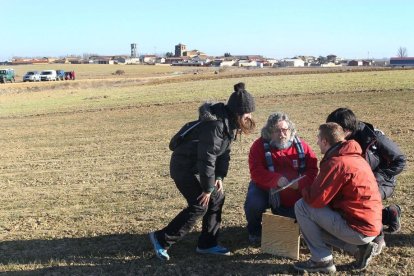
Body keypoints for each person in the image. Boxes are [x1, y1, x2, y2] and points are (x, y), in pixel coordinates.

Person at [149, 82, 256, 261]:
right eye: (247, 113)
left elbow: (223, 153)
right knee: (200, 204)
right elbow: (207, 158)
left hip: (197, 166)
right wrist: (207, 188)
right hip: (184, 167)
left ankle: (208, 244)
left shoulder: (228, 124)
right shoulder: (216, 125)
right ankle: (162, 238)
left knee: (217, 197)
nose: (250, 116)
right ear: (238, 113)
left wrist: (220, 176)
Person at [293, 123, 383, 273]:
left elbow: (315, 200)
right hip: (370, 226)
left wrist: (301, 187)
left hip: (359, 229)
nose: (316, 142)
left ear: (325, 141)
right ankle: (359, 249)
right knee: (313, 222)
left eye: (318, 138)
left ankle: (321, 260)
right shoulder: (354, 157)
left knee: (302, 207)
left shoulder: (337, 163)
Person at [326, 108, 406, 254]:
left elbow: (400, 160)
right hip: (357, 180)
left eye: (335, 130)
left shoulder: (374, 138)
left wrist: (377, 178)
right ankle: (389, 214)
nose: (332, 135)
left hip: (382, 182)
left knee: (363, 197)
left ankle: (378, 237)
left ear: (346, 130)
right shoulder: (340, 140)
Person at [244, 112, 318, 242]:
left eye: (285, 130)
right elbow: (256, 171)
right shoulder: (258, 146)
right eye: (277, 131)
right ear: (268, 132)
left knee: (291, 225)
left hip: (293, 193)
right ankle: (255, 232)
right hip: (265, 189)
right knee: (254, 204)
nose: (282, 134)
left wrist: (299, 184)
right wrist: (275, 180)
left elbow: (312, 170)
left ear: (290, 130)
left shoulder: (302, 146)